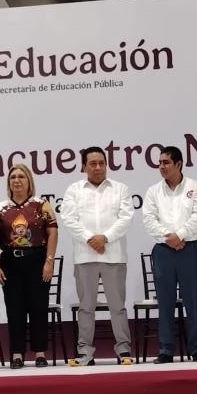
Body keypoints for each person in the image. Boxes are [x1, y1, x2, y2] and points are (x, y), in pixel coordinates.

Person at [60, 146, 134, 366]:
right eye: (93, 163)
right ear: (84, 166)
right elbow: (69, 219)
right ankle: (85, 352)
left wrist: (105, 238)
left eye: (102, 163)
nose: (98, 167)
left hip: (114, 255)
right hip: (85, 256)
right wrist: (90, 239)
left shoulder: (120, 189)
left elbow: (126, 218)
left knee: (118, 306)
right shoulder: (74, 190)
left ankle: (123, 350)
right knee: (86, 307)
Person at [141, 146, 197, 363]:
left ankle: (196, 349)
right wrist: (169, 238)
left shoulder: (195, 187)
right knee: (165, 302)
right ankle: (166, 350)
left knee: (192, 302)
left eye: (166, 162)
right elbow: (149, 220)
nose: (161, 166)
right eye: (160, 163)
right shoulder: (153, 191)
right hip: (163, 251)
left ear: (179, 164)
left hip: (189, 249)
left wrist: (180, 236)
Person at [0, 164, 58, 369]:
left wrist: (49, 261)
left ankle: (40, 353)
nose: (17, 180)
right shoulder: (0, 208)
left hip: (37, 261)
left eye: (21, 177)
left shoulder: (41, 205)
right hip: (10, 263)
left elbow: (52, 233)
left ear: (29, 181)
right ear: (8, 182)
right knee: (14, 309)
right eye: (13, 177)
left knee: (38, 307)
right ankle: (17, 353)